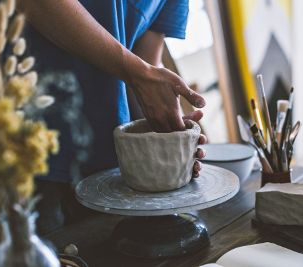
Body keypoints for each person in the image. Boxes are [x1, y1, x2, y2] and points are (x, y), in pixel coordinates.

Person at [16, 0, 207, 234]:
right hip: (23, 142)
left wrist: (169, 141)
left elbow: (144, 71)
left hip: (105, 164)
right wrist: (140, 73)